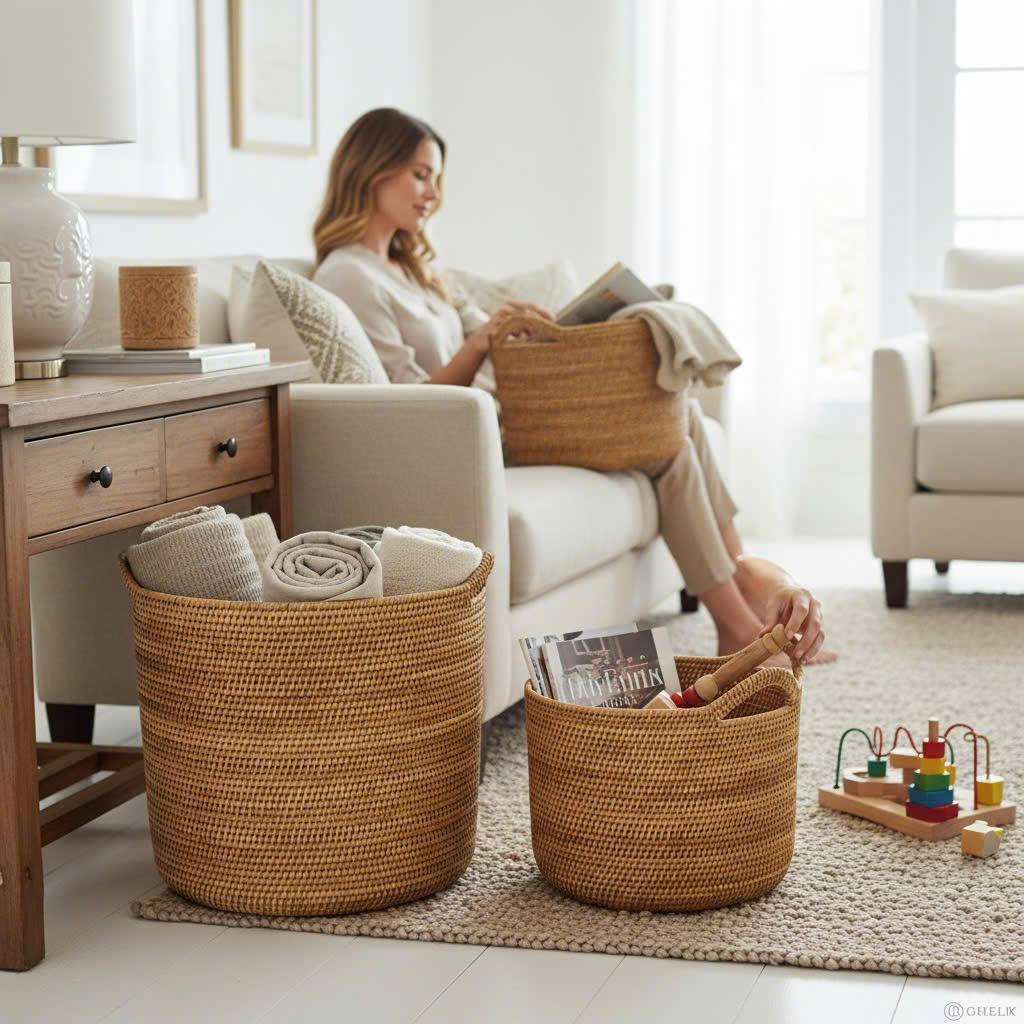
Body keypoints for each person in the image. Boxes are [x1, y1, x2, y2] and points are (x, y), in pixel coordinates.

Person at [312, 107, 833, 666]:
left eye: (435, 178)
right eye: (420, 175)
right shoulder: (348, 274)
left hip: (513, 414)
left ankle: (739, 606)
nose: (433, 194)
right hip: (480, 437)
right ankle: (740, 610)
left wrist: (538, 336)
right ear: (372, 171)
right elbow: (413, 404)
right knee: (666, 433)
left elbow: (488, 341)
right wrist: (482, 342)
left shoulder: (416, 270)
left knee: (676, 418)